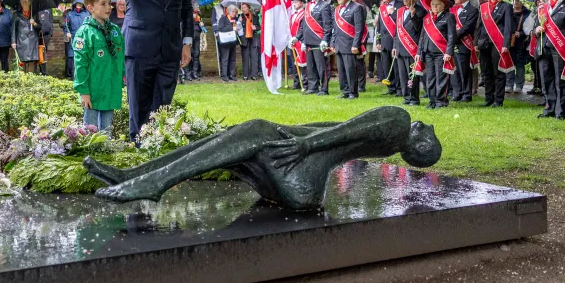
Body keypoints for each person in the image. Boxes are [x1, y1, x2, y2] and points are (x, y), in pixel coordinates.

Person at [86, 106, 441, 209]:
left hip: (299, 177)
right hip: (300, 189)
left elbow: (336, 135)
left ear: (418, 140)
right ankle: (136, 175)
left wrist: (303, 146)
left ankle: (152, 181)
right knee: (234, 138)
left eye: (428, 134)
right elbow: (331, 127)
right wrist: (296, 136)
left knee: (254, 130)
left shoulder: (398, 122)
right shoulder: (387, 142)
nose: (425, 125)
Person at [104, 0, 194, 141]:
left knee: (163, 101)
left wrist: (187, 43)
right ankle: (138, 145)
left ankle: (156, 141)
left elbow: (186, 9)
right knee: (139, 102)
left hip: (170, 49)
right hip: (139, 49)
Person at [72, 0, 125, 136]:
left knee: (107, 131)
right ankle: (91, 155)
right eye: (103, 4)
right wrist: (83, 92)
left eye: (109, 3)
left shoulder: (114, 30)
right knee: (91, 131)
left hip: (110, 88)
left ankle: (106, 154)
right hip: (93, 91)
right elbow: (80, 64)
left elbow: (120, 57)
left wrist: (122, 76)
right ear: (90, 8)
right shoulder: (85, 32)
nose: (109, 7)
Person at [476, 0, 514, 107]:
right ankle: (488, 99)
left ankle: (498, 100)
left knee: (498, 73)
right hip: (484, 43)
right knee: (486, 72)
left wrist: (506, 44)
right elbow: (479, 26)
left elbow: (508, 27)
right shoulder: (483, 7)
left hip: (498, 43)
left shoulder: (506, 7)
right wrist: (476, 42)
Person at [416, 0, 456, 108]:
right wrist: (419, 52)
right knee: (430, 77)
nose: (435, 6)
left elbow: (451, 36)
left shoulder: (449, 17)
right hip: (427, 52)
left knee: (441, 78)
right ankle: (432, 101)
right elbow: (422, 37)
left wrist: (448, 52)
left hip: (441, 52)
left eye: (438, 4)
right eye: (433, 4)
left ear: (443, 6)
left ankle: (441, 101)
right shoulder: (427, 18)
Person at [326, 0, 366, 99]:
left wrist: (355, 44)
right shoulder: (337, 9)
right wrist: (333, 43)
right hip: (338, 44)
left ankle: (353, 92)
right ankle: (345, 91)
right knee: (342, 70)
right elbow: (335, 28)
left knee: (350, 69)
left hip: (350, 44)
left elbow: (359, 29)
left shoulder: (357, 7)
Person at [295, 0, 334, 95]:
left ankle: (324, 89)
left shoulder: (325, 5)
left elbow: (327, 25)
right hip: (308, 41)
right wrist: (298, 38)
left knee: (321, 66)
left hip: (319, 40)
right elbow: (304, 26)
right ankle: (313, 87)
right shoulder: (307, 6)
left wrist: (325, 39)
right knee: (310, 67)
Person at [394, 0, 425, 106]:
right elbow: (397, 30)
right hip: (401, 47)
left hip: (412, 48)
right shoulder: (400, 11)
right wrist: (395, 46)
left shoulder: (421, 11)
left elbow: (420, 29)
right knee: (403, 75)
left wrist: (413, 16)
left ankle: (414, 98)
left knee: (413, 75)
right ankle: (406, 96)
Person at [448, 0, 478, 102]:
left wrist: (452, 37)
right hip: (452, 44)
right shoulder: (451, 10)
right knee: (454, 69)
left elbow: (467, 27)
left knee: (464, 69)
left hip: (464, 43)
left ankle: (466, 94)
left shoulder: (473, 10)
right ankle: (457, 92)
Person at [375, 0, 400, 96]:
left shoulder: (399, 5)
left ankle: (399, 88)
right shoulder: (382, 8)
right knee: (386, 65)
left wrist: (393, 13)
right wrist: (378, 41)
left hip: (395, 40)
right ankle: (390, 87)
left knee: (396, 66)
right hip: (384, 41)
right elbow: (379, 26)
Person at [11, 0, 42, 73]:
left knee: (31, 61)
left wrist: (34, 23)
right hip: (21, 41)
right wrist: (13, 41)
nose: (24, 2)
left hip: (32, 41)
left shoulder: (34, 14)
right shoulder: (16, 15)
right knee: (22, 61)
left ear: (30, 2)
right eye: (23, 1)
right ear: (20, 3)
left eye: (26, 1)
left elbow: (40, 28)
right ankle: (23, 80)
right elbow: (13, 29)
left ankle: (30, 79)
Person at [507, 0, 531, 94]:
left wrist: (521, 34)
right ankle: (509, 85)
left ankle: (519, 86)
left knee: (520, 65)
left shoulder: (527, 14)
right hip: (509, 42)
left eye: (518, 1)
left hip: (521, 43)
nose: (516, 3)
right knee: (509, 63)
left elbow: (530, 27)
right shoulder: (509, 12)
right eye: (514, 1)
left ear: (522, 2)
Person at [62, 0, 89, 79]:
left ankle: (82, 75)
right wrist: (67, 32)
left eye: (80, 4)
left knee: (82, 55)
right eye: (77, 4)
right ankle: (70, 76)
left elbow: (89, 25)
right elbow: (66, 25)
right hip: (72, 39)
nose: (79, 6)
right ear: (74, 5)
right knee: (71, 56)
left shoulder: (87, 14)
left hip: (83, 38)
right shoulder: (70, 14)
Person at [287, 0, 308, 90]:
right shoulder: (293, 15)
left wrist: (300, 40)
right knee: (294, 63)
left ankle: (305, 83)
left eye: (296, 2)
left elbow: (303, 29)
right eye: (293, 2)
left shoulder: (304, 14)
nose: (294, 4)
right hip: (293, 42)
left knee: (302, 64)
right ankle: (296, 83)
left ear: (302, 3)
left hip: (301, 41)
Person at [216, 4, 240, 81]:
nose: (234, 13)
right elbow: (220, 28)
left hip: (232, 41)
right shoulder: (223, 19)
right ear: (229, 11)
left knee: (232, 58)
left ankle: (232, 75)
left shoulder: (234, 20)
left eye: (235, 12)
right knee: (225, 58)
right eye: (233, 12)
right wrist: (232, 28)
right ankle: (224, 75)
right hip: (225, 41)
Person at [238, 2, 261, 80]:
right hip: (244, 39)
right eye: (242, 8)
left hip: (253, 38)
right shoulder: (240, 17)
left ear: (248, 8)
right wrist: (239, 22)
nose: (243, 9)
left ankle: (253, 75)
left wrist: (255, 28)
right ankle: (245, 75)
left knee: (254, 56)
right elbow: (236, 27)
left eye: (244, 7)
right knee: (245, 56)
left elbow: (259, 27)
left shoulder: (254, 17)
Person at [184, 0, 203, 81]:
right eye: (197, 6)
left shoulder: (199, 15)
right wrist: (191, 19)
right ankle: (187, 73)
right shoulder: (187, 14)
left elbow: (200, 28)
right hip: (189, 36)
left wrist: (201, 25)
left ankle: (194, 73)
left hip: (197, 36)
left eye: (198, 6)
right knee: (188, 54)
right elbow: (184, 25)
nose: (198, 7)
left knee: (196, 54)